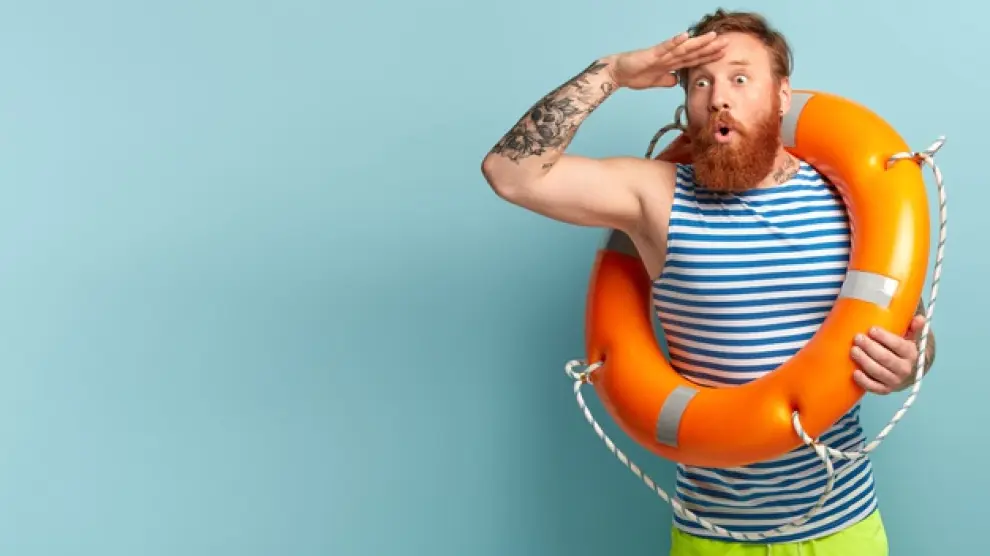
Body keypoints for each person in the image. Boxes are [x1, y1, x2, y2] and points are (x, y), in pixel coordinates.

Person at [480, 8, 937, 556]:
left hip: (844, 529)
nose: (719, 97)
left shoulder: (846, 198)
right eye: (701, 83)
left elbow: (909, 332)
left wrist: (913, 360)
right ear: (686, 103)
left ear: (782, 95)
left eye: (740, 78)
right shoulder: (655, 198)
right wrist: (612, 72)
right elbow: (510, 174)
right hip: (711, 537)